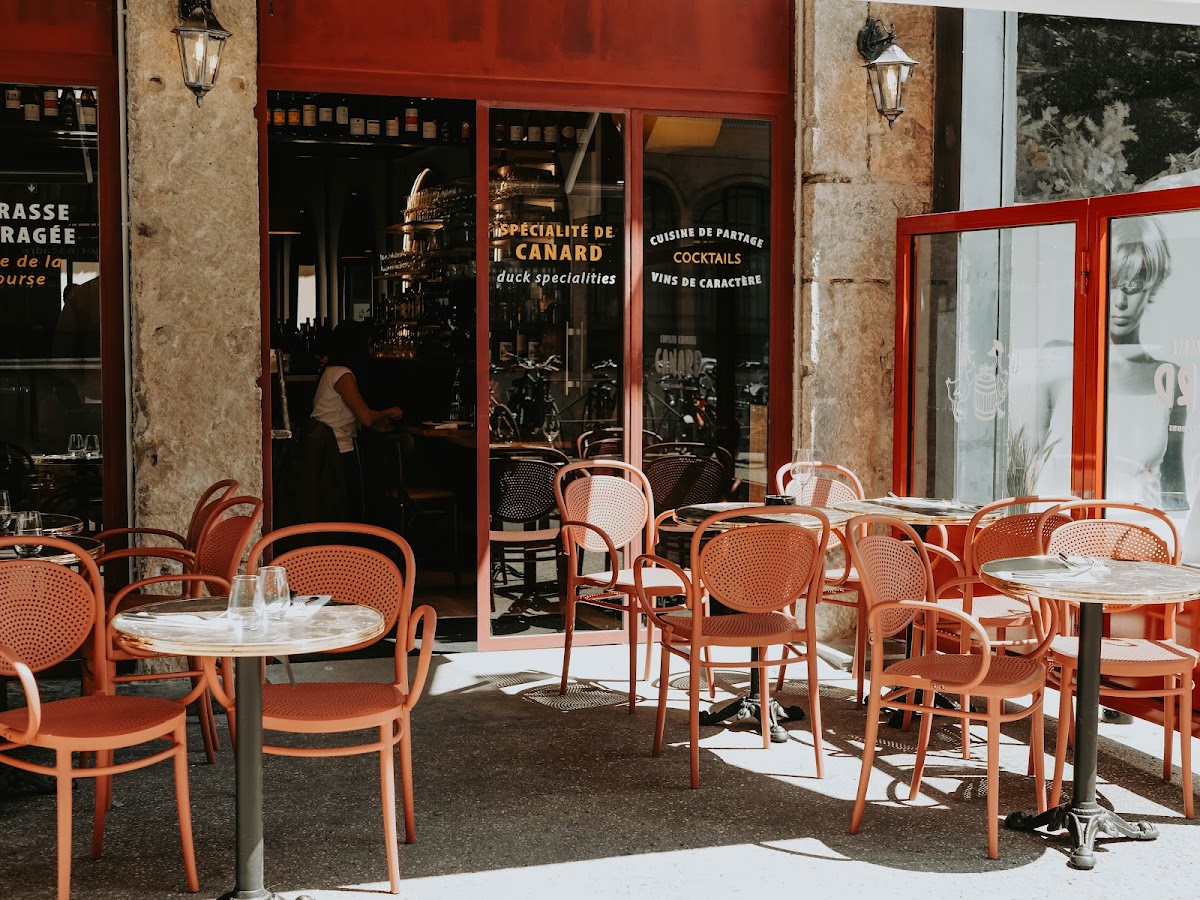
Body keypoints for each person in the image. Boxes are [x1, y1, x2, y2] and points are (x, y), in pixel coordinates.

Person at [1036, 216, 1185, 511]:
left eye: (1133, 286)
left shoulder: (1169, 378)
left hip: (1138, 536)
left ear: (1152, 288)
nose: (1120, 302)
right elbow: (1026, 460)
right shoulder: (1058, 361)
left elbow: (1174, 483)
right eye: (1112, 284)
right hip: (1055, 528)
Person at [311, 321, 403, 518]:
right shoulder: (342, 375)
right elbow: (366, 418)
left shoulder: (331, 372)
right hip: (336, 451)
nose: (370, 351)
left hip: (325, 449)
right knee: (349, 510)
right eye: (367, 345)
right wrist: (391, 411)